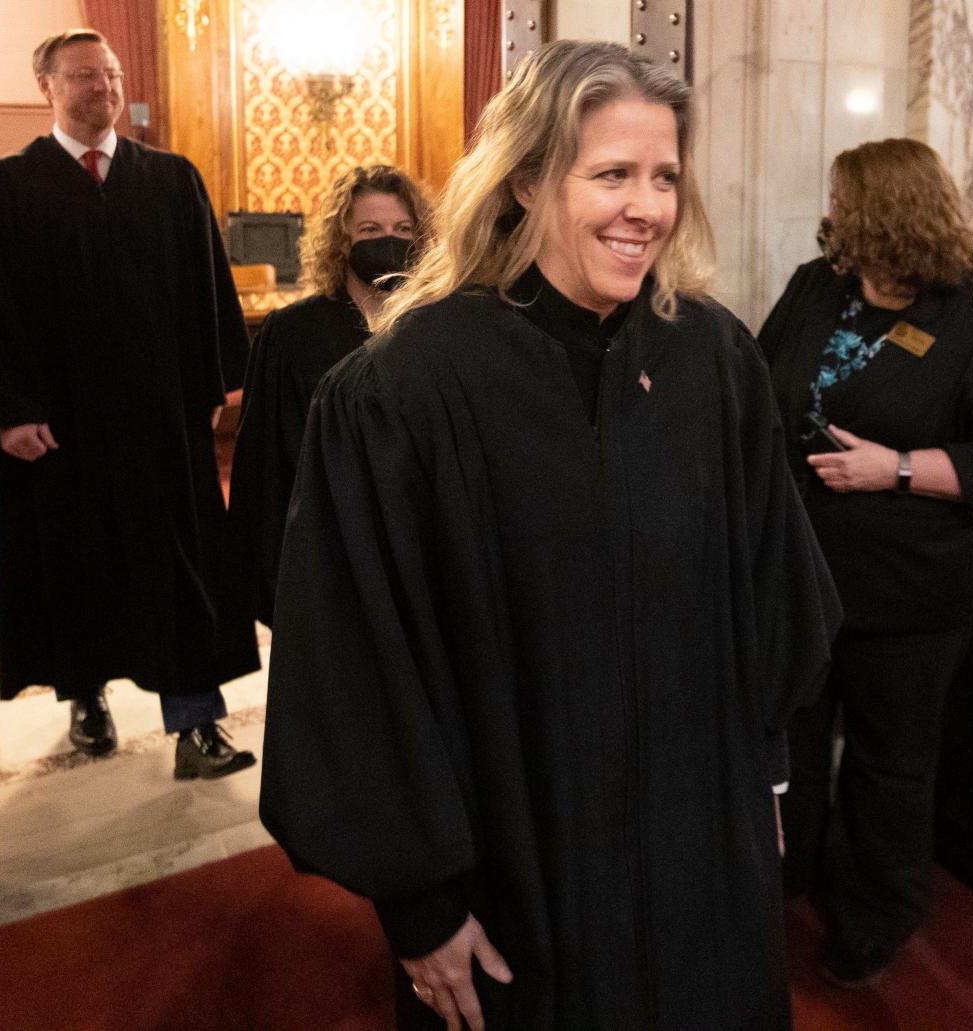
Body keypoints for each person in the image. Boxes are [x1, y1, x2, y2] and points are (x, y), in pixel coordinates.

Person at [260, 40, 840, 1031]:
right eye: (611, 173)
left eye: (663, 177)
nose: (645, 207)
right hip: (523, 876)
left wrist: (767, 767)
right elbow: (353, 658)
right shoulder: (405, 389)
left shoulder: (713, 361)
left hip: (704, 850)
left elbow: (771, 586)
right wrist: (421, 898)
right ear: (525, 179)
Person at [758, 137, 973, 987]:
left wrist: (890, 467)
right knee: (798, 741)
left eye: (844, 203)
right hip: (809, 576)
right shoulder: (819, 286)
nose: (832, 216)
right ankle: (793, 873)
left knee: (891, 763)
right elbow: (759, 378)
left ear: (886, 213)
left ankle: (879, 911)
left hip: (918, 592)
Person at [0, 29, 259, 780]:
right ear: (45, 85)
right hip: (55, 434)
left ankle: (196, 723)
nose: (100, 85)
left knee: (181, 571)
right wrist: (7, 411)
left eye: (108, 72)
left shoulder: (172, 180)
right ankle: (86, 698)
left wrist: (212, 389)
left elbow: (205, 291)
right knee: (72, 572)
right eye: (82, 74)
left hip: (157, 428)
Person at [228, 165, 428, 627]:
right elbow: (264, 460)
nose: (388, 241)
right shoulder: (291, 333)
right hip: (322, 547)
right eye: (370, 230)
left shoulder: (435, 328)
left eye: (402, 229)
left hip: (412, 546)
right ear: (342, 240)